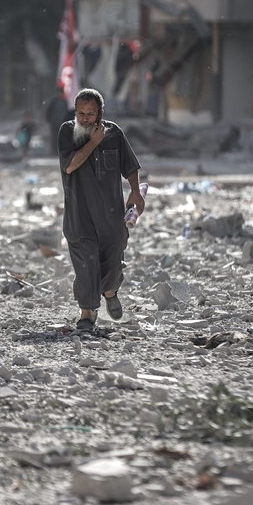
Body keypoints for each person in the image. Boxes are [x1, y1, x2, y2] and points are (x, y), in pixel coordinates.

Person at [58, 88, 145, 333]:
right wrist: (93, 142)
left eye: (91, 114)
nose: (85, 119)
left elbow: (130, 166)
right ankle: (86, 315)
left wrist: (136, 191)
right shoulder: (66, 132)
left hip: (111, 214)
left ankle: (110, 291)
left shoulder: (114, 133)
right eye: (81, 113)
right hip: (80, 215)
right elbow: (69, 166)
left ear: (100, 114)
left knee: (114, 259)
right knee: (86, 264)